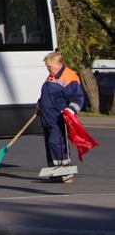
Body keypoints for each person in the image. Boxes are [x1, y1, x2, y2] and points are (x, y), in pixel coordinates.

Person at [37, 51, 85, 182]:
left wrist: (70, 110)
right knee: (50, 144)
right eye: (47, 66)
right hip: (48, 117)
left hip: (58, 118)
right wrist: (39, 105)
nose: (48, 69)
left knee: (57, 142)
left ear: (58, 64)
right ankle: (54, 170)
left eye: (49, 66)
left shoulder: (69, 77)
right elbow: (46, 94)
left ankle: (65, 170)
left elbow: (78, 99)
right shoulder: (52, 76)